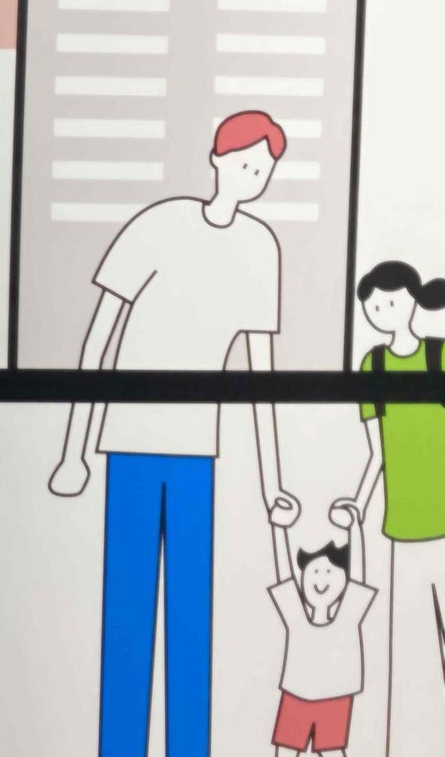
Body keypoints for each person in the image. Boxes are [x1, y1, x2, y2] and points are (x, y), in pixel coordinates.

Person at [48, 110, 300, 757]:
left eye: (264, 170)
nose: (254, 177)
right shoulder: (160, 224)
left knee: (191, 620)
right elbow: (99, 339)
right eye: (245, 163)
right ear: (216, 159)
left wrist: (273, 485)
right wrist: (74, 449)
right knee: (127, 618)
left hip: (196, 451)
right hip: (129, 443)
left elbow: (261, 377)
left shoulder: (260, 247)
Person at [337, 261, 445, 756]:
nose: (382, 311)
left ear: (413, 299)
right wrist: (358, 503)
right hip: (402, 525)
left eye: (390, 301)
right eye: (374, 306)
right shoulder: (373, 367)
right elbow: (376, 453)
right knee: (411, 650)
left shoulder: (439, 355)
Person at [267, 504, 376, 757]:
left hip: (335, 699)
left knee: (332, 750)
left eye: (328, 571)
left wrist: (355, 528)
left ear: (343, 580)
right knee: (285, 750)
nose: (321, 579)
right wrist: (278, 528)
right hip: (295, 696)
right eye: (314, 571)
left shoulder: (348, 616)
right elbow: (284, 578)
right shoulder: (296, 617)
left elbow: (358, 579)